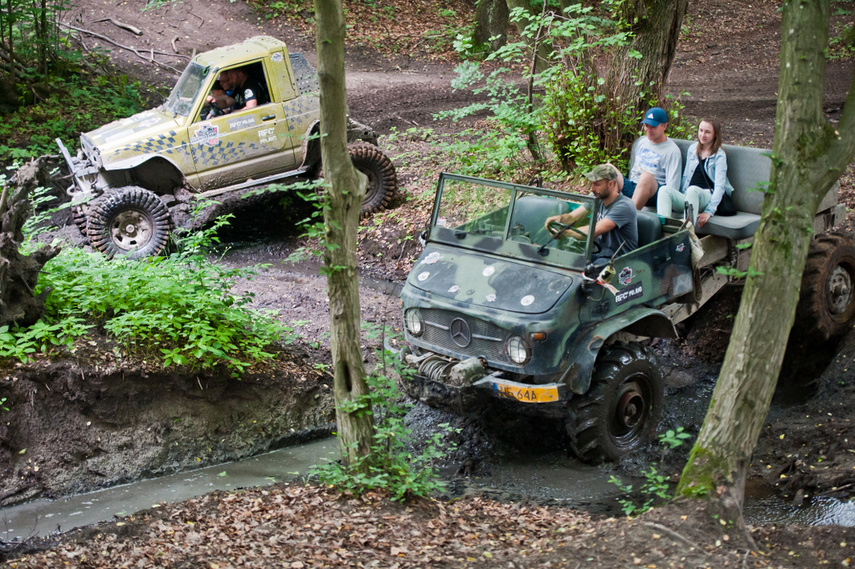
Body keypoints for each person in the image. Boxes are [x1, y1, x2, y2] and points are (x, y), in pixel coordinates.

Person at [544, 164, 638, 263]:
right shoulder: (596, 197)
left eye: (597, 184)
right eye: (592, 184)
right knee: (563, 259)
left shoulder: (624, 206)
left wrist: (564, 233)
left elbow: (592, 231)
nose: (592, 189)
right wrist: (559, 219)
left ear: (610, 184)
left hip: (619, 260)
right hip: (598, 253)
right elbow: (573, 216)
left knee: (589, 273)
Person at [656, 118, 734, 227]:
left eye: (707, 132)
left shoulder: (719, 155)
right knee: (664, 190)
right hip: (689, 197)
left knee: (693, 190)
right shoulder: (692, 149)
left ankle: (687, 233)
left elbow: (720, 186)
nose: (703, 134)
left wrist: (709, 211)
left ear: (715, 134)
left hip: (706, 196)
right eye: (701, 130)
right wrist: (682, 195)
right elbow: (686, 176)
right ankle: (664, 231)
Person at [619, 106, 682, 210]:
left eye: (653, 127)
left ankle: (628, 217)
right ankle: (585, 217)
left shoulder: (672, 151)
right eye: (647, 126)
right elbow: (633, 174)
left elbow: (672, 190)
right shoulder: (642, 142)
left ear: (664, 126)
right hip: (634, 187)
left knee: (646, 177)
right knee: (607, 170)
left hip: (654, 194)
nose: (649, 130)